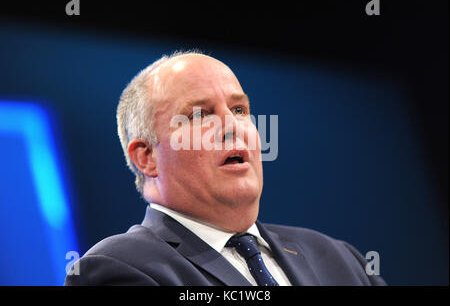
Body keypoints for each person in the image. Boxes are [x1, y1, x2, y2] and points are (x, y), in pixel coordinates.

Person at [65, 50, 386, 286]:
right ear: (146, 157)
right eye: (200, 115)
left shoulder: (340, 259)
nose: (233, 127)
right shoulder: (118, 268)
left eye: (239, 109)